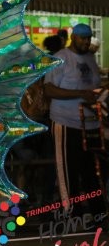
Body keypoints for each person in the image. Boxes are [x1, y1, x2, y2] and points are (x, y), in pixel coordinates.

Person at [44, 23, 107, 219]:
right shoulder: (61, 58)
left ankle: (97, 213)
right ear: (73, 37)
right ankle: (71, 213)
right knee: (68, 169)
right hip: (65, 122)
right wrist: (80, 94)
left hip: (90, 124)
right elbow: (49, 89)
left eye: (88, 38)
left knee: (91, 171)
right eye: (83, 38)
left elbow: (93, 86)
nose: (86, 41)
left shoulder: (90, 58)